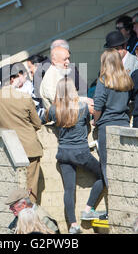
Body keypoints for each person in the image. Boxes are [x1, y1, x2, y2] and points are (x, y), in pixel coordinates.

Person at [45, 78, 104, 234]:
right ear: (73, 91)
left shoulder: (53, 110)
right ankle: (88, 210)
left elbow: (43, 121)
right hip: (81, 152)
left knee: (68, 190)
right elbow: (87, 125)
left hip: (63, 153)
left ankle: (73, 225)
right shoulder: (83, 108)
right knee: (103, 176)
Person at [0, 63, 43, 202]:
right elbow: (37, 124)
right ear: (11, 79)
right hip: (29, 148)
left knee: (11, 186)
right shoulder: (25, 98)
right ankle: (29, 217)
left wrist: (2, 132)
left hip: (8, 147)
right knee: (31, 187)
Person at [93, 49, 134, 187]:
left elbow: (98, 106)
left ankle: (115, 198)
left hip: (107, 126)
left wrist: (95, 120)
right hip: (124, 124)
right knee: (125, 165)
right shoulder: (127, 79)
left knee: (107, 165)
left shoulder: (103, 80)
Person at [40, 44, 89, 111]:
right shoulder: (50, 78)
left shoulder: (60, 72)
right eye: (65, 59)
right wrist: (84, 103)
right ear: (54, 61)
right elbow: (59, 103)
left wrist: (85, 100)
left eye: (68, 58)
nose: (68, 62)